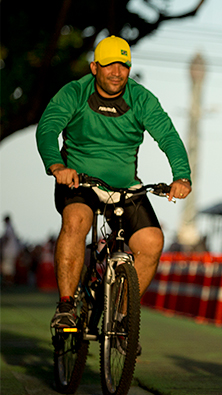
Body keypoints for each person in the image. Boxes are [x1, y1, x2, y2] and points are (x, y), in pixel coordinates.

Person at [36, 36, 192, 329]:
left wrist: (181, 176)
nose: (117, 72)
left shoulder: (141, 98)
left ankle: (119, 317)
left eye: (124, 66)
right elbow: (48, 128)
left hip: (124, 188)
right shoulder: (75, 92)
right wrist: (57, 165)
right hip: (78, 183)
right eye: (110, 65)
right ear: (95, 67)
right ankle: (67, 305)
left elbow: (168, 137)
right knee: (77, 221)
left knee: (152, 242)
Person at [1, 215, 21, 285]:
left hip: (9, 251)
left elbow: (7, 238)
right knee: (9, 267)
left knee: (8, 268)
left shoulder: (8, 228)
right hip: (11, 251)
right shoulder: (11, 228)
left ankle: (9, 282)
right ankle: (9, 282)